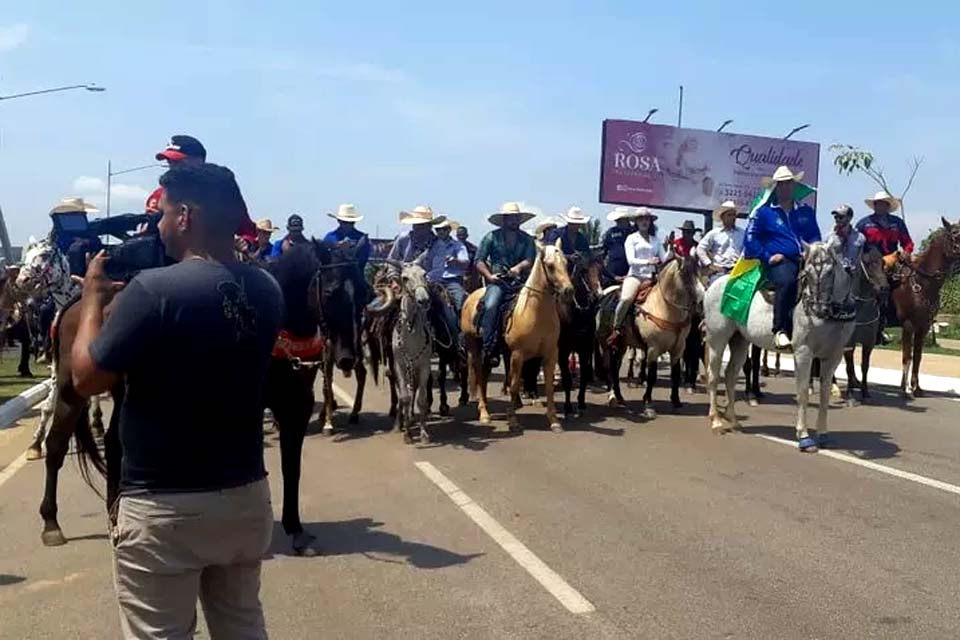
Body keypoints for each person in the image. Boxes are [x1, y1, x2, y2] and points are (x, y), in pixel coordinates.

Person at [71, 163, 282, 639]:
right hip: (246, 496)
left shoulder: (152, 290)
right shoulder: (266, 290)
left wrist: (92, 300)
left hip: (164, 505)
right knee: (244, 626)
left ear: (184, 216)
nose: (159, 225)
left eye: (164, 213)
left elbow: (86, 378)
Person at [743, 165, 821, 349]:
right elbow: (750, 240)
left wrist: (812, 249)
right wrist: (768, 256)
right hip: (780, 261)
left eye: (789, 184)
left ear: (794, 186)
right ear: (776, 187)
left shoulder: (806, 212)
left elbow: (815, 236)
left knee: (828, 280)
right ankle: (780, 330)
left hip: (806, 259)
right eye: (782, 184)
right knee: (787, 281)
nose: (786, 187)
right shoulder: (764, 213)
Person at [148, 135, 258, 241]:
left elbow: (247, 231)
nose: (173, 168)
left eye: (178, 162)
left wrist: (244, 242)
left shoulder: (221, 192)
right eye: (169, 163)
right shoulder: (160, 195)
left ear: (199, 161)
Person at [475, 202, 537, 367]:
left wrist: (519, 267)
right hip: (498, 281)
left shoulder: (527, 239)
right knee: (491, 305)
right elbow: (479, 260)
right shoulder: (491, 237)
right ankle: (489, 348)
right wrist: (489, 276)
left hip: (521, 282)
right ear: (504, 220)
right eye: (510, 218)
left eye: (516, 218)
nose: (513, 221)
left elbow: (530, 259)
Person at [609, 207, 667, 342]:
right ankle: (616, 328)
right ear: (636, 222)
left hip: (653, 278)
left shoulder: (656, 239)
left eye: (646, 219)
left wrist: (671, 251)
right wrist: (648, 261)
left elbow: (664, 259)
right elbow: (631, 260)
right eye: (641, 219)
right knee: (626, 299)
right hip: (635, 276)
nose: (644, 221)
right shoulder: (631, 238)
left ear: (650, 222)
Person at [426, 218, 470, 344]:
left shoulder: (458, 245)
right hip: (432, 280)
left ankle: (462, 332)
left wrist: (454, 260)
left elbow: (465, 263)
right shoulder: (431, 245)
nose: (440, 232)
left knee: (461, 300)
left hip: (451, 280)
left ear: (449, 230)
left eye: (443, 229)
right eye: (437, 229)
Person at [386, 205, 443, 279]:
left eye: (422, 225)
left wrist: (421, 279)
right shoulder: (403, 238)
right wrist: (394, 277)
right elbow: (392, 259)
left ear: (429, 226)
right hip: (403, 278)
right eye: (415, 225)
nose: (417, 228)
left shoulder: (438, 244)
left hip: (427, 279)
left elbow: (438, 270)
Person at [696, 200, 744, 285]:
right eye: (729, 215)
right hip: (719, 272)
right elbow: (700, 249)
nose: (732, 218)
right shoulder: (714, 233)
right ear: (722, 217)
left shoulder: (742, 233)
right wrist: (709, 264)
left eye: (734, 215)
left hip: (737, 271)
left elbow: (747, 250)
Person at [855, 190, 913, 260]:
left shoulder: (897, 222)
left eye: (882, 204)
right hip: (871, 261)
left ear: (888, 206)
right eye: (877, 204)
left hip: (892, 259)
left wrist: (906, 252)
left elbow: (907, 242)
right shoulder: (863, 224)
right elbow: (855, 243)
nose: (879, 206)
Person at [322, 203, 371, 272]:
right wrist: (336, 246)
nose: (348, 225)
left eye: (351, 222)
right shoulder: (330, 237)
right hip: (333, 276)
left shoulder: (361, 238)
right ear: (339, 221)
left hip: (354, 275)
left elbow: (363, 261)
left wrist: (353, 251)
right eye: (345, 222)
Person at [600, 206, 637, 287]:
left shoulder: (635, 233)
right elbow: (602, 255)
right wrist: (612, 276)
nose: (618, 222)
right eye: (618, 220)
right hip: (612, 277)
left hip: (632, 275)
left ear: (627, 220)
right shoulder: (610, 233)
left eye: (621, 220)